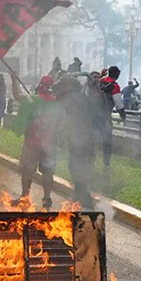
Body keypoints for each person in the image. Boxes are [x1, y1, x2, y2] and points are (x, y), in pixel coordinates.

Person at [11, 74, 59, 209]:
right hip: (50, 145)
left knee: (27, 171)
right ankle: (47, 199)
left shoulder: (31, 101)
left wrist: (14, 79)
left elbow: (17, 94)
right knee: (48, 171)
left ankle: (24, 197)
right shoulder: (57, 103)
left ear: (39, 86)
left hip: (32, 144)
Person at [55, 75, 97, 208]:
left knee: (76, 171)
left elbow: (67, 120)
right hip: (88, 140)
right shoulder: (85, 98)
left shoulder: (71, 99)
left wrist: (61, 137)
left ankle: (86, 204)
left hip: (78, 141)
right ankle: (77, 200)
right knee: (82, 171)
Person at [96, 66, 126, 168]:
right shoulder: (115, 86)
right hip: (105, 116)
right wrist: (124, 118)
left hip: (93, 114)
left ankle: (89, 161)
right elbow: (119, 105)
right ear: (117, 75)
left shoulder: (100, 81)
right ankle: (106, 163)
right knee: (107, 140)